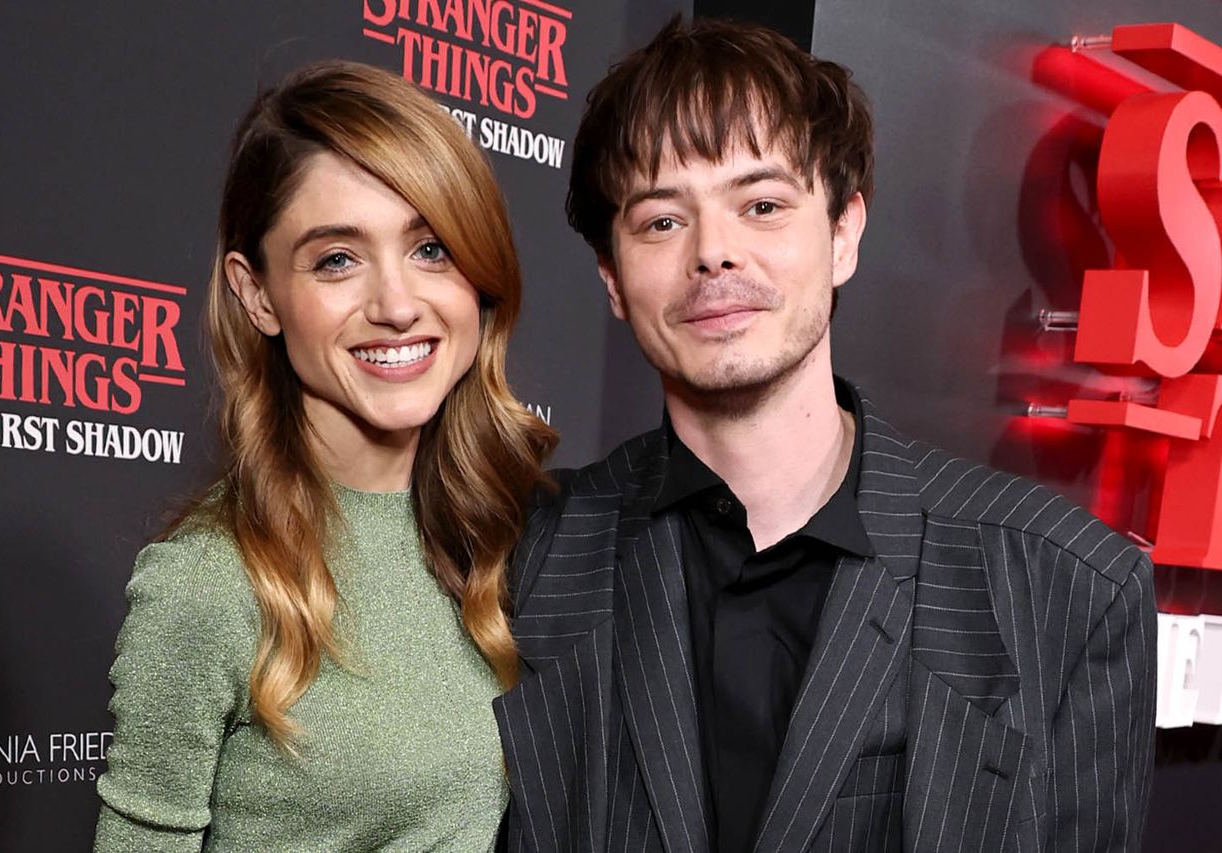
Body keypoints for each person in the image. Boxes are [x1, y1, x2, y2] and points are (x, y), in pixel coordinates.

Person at [494, 17, 1155, 853]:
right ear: (613, 280)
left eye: (762, 205)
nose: (715, 253)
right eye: (662, 221)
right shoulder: (525, 558)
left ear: (843, 231)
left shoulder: (1070, 587)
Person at [94, 60, 555, 852]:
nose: (397, 304)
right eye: (337, 258)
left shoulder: (514, 541)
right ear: (258, 293)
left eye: (432, 248)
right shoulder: (213, 580)